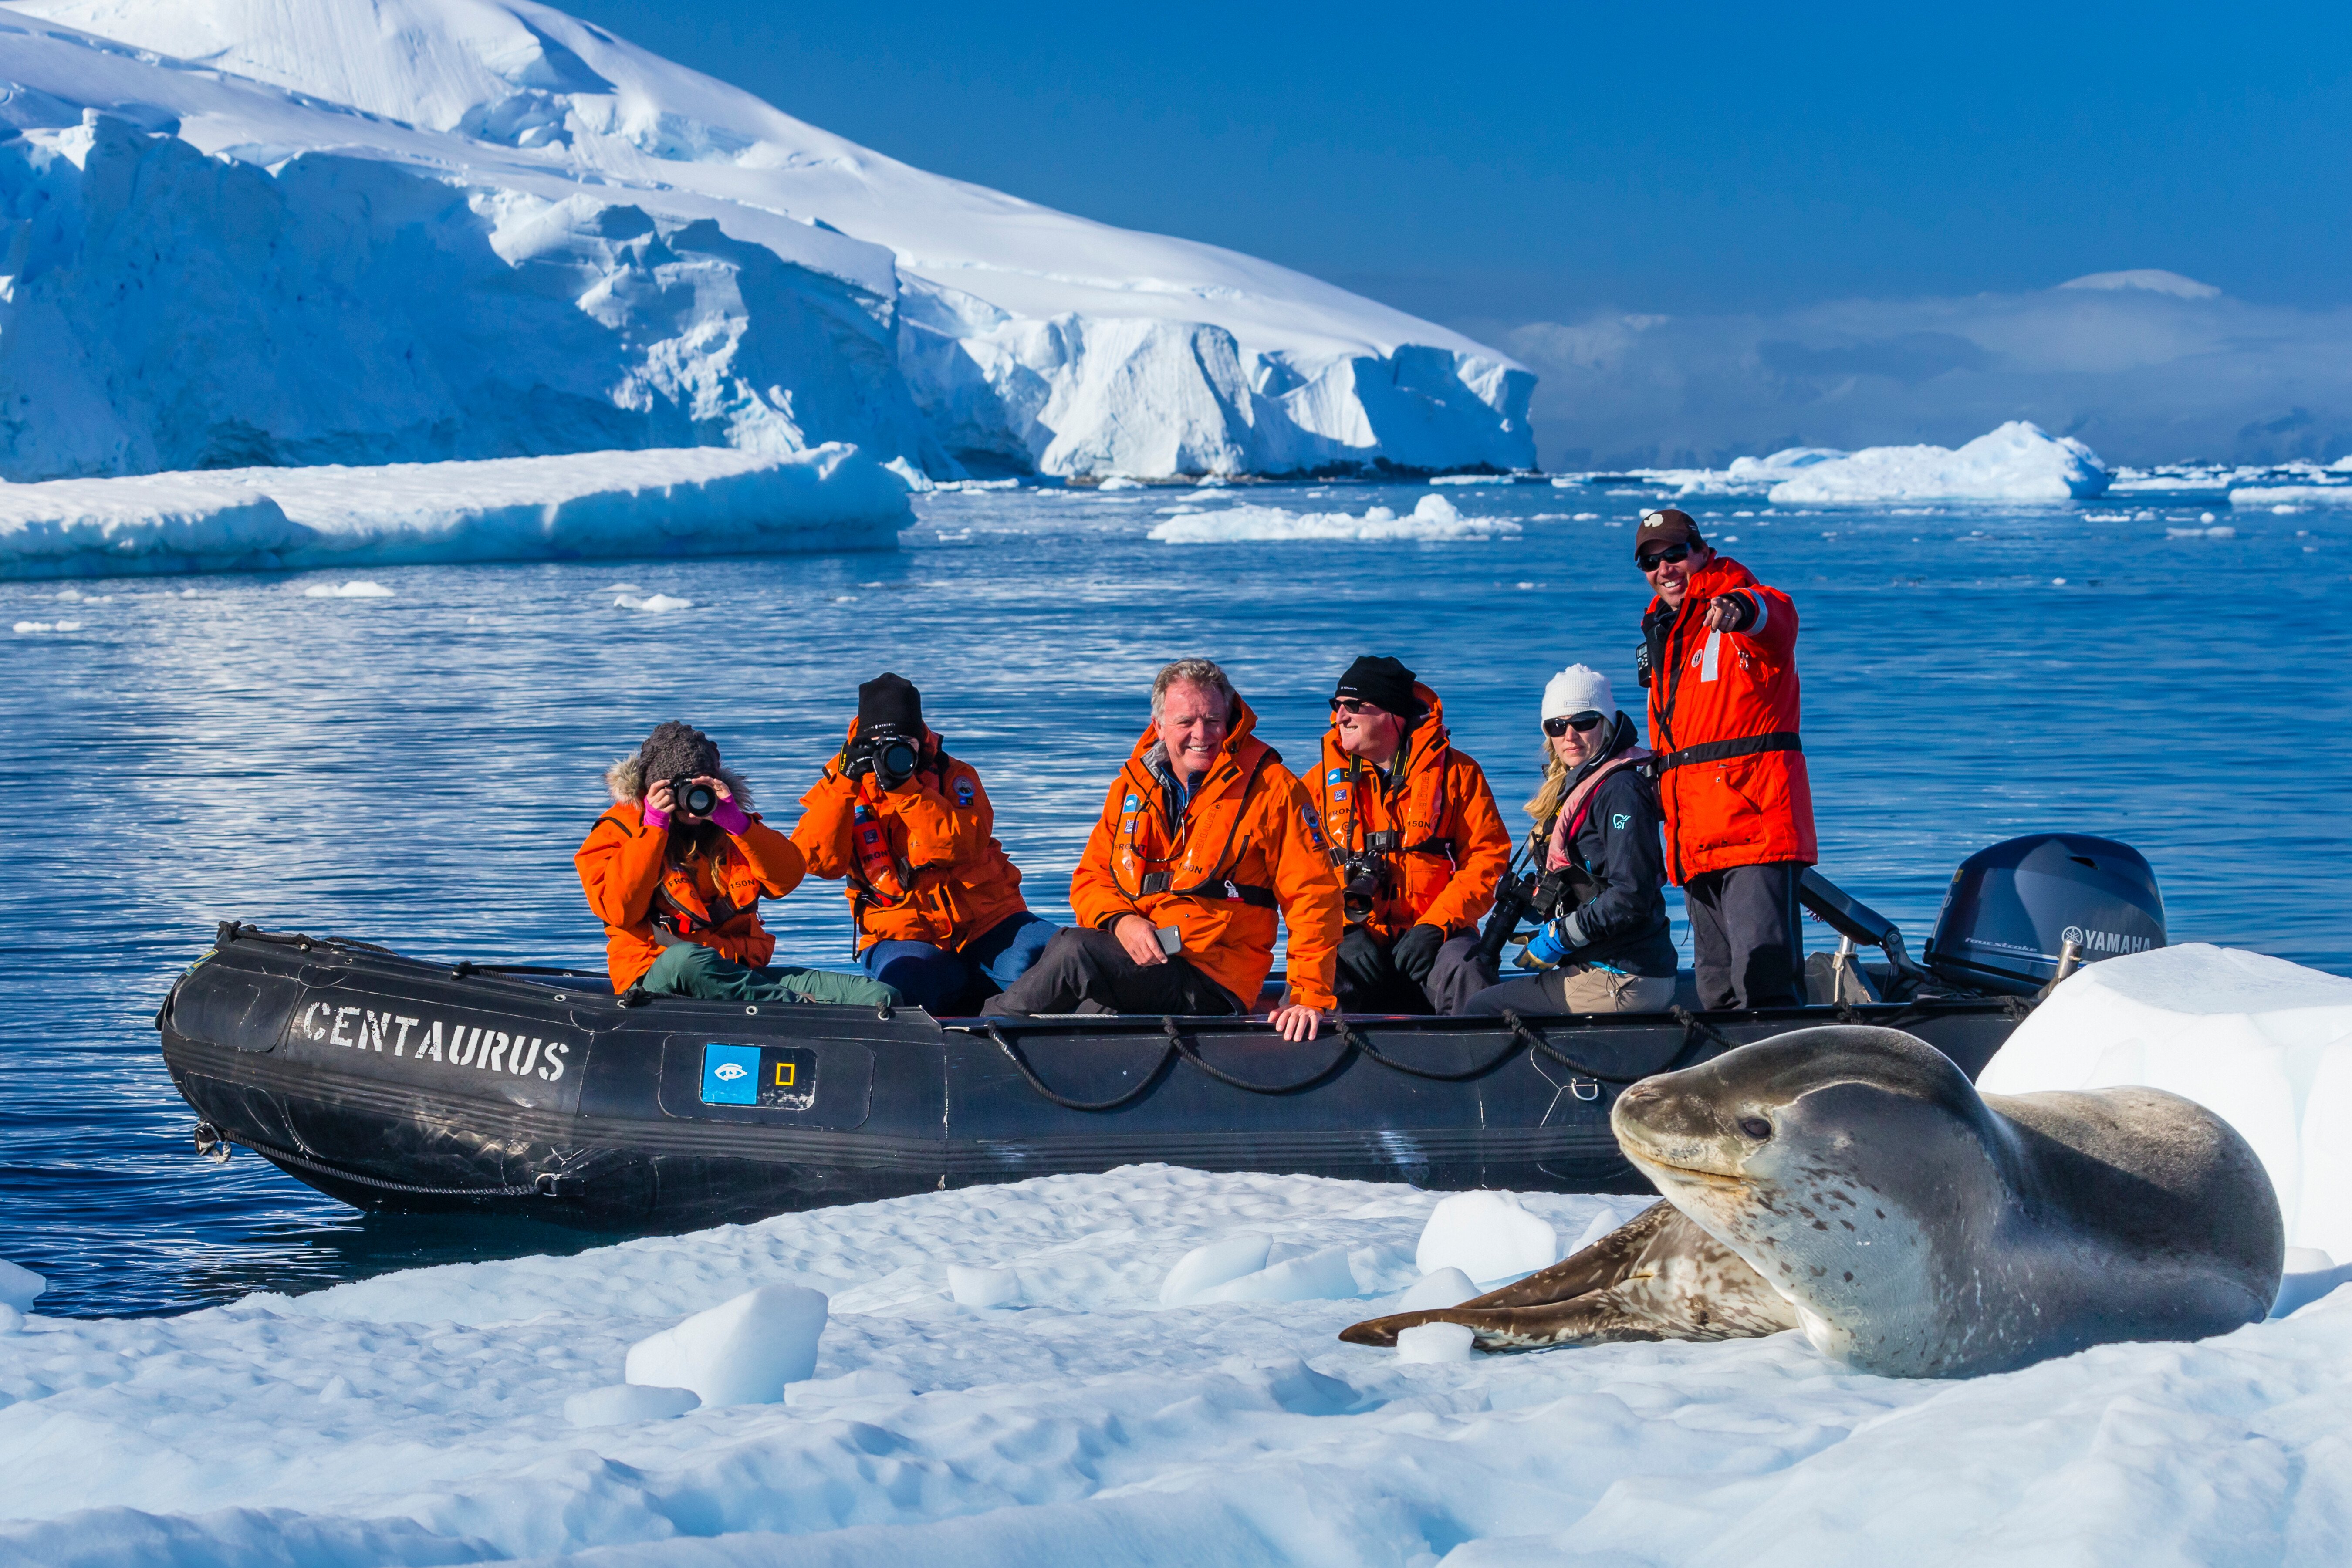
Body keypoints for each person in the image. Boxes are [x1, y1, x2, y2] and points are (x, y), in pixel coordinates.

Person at [983, 658, 1343, 1040]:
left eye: (1213, 720)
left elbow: (1313, 896)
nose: (1201, 734)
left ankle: (972, 1036)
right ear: (1159, 726)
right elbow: (1091, 879)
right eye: (1186, 722)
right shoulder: (1132, 787)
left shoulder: (1274, 790)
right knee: (1074, 1000)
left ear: (1231, 719)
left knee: (1076, 953)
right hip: (1146, 961)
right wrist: (1122, 922)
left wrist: (1308, 995)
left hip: (1215, 978)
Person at [1632, 508, 1816, 1010]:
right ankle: (1736, 1088)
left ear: (1700, 551)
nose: (1664, 569)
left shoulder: (1733, 602)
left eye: (1675, 554)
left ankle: (1791, 1083)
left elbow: (1776, 616)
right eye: (1651, 561)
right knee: (1718, 992)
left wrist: (1741, 608)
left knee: (1765, 985)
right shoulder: (1664, 633)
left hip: (1753, 829)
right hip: (1694, 836)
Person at [574, 721, 898, 1006]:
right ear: (653, 789)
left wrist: (738, 824)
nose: (690, 800)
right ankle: (798, 1009)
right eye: (677, 788)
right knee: (686, 960)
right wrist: (654, 829)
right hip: (657, 977)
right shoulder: (618, 831)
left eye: (698, 786)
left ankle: (800, 1008)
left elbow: (786, 880)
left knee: (878, 996)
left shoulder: (731, 826)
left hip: (740, 974)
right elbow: (619, 910)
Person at [791, 673, 1055, 1014]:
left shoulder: (956, 776)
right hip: (900, 937)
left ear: (920, 737)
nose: (892, 753)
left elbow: (960, 847)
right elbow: (820, 863)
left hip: (987, 924)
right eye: (880, 744)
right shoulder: (841, 784)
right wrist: (844, 785)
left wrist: (906, 791)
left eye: (903, 742)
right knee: (911, 978)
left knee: (1052, 958)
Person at [1464, 665, 1679, 1016]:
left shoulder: (1621, 791)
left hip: (1625, 974)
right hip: (1603, 963)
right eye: (1557, 726)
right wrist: (1539, 908)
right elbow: (1586, 885)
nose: (1570, 736)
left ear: (1607, 724)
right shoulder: (1578, 787)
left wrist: (1560, 938)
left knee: (1482, 1009)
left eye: (1584, 722)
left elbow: (1630, 896)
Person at [1306, 655, 1510, 1014]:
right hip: (1355, 937)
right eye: (1336, 706)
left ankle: (1485, 1059)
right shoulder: (1316, 785)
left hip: (1436, 936)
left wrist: (1436, 925)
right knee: (1318, 972)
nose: (1341, 717)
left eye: (1354, 706)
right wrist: (1344, 931)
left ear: (1393, 714)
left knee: (1467, 970)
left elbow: (1488, 860)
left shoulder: (1459, 774)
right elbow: (1299, 876)